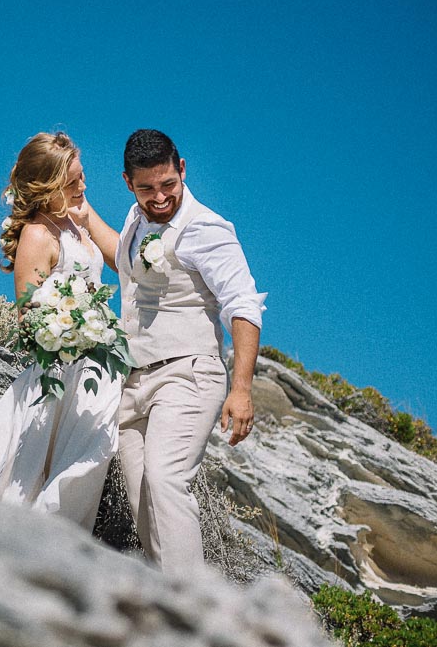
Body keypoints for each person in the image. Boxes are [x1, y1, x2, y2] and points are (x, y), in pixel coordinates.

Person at [114, 129, 266, 572]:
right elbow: (127, 267)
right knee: (143, 500)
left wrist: (241, 389)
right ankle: (169, 608)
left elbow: (242, 305)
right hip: (133, 383)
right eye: (146, 188)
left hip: (188, 375)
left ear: (182, 170)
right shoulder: (134, 219)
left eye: (167, 185)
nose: (158, 197)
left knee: (166, 479)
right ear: (128, 182)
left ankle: (196, 610)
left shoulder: (206, 229)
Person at [0, 132, 123, 531]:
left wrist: (86, 215)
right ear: (46, 186)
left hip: (99, 370)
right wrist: (76, 331)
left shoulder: (76, 216)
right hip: (61, 372)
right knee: (44, 473)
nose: (83, 186)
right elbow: (29, 319)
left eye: (82, 176)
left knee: (87, 463)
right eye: (72, 182)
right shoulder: (37, 235)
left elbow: (122, 260)